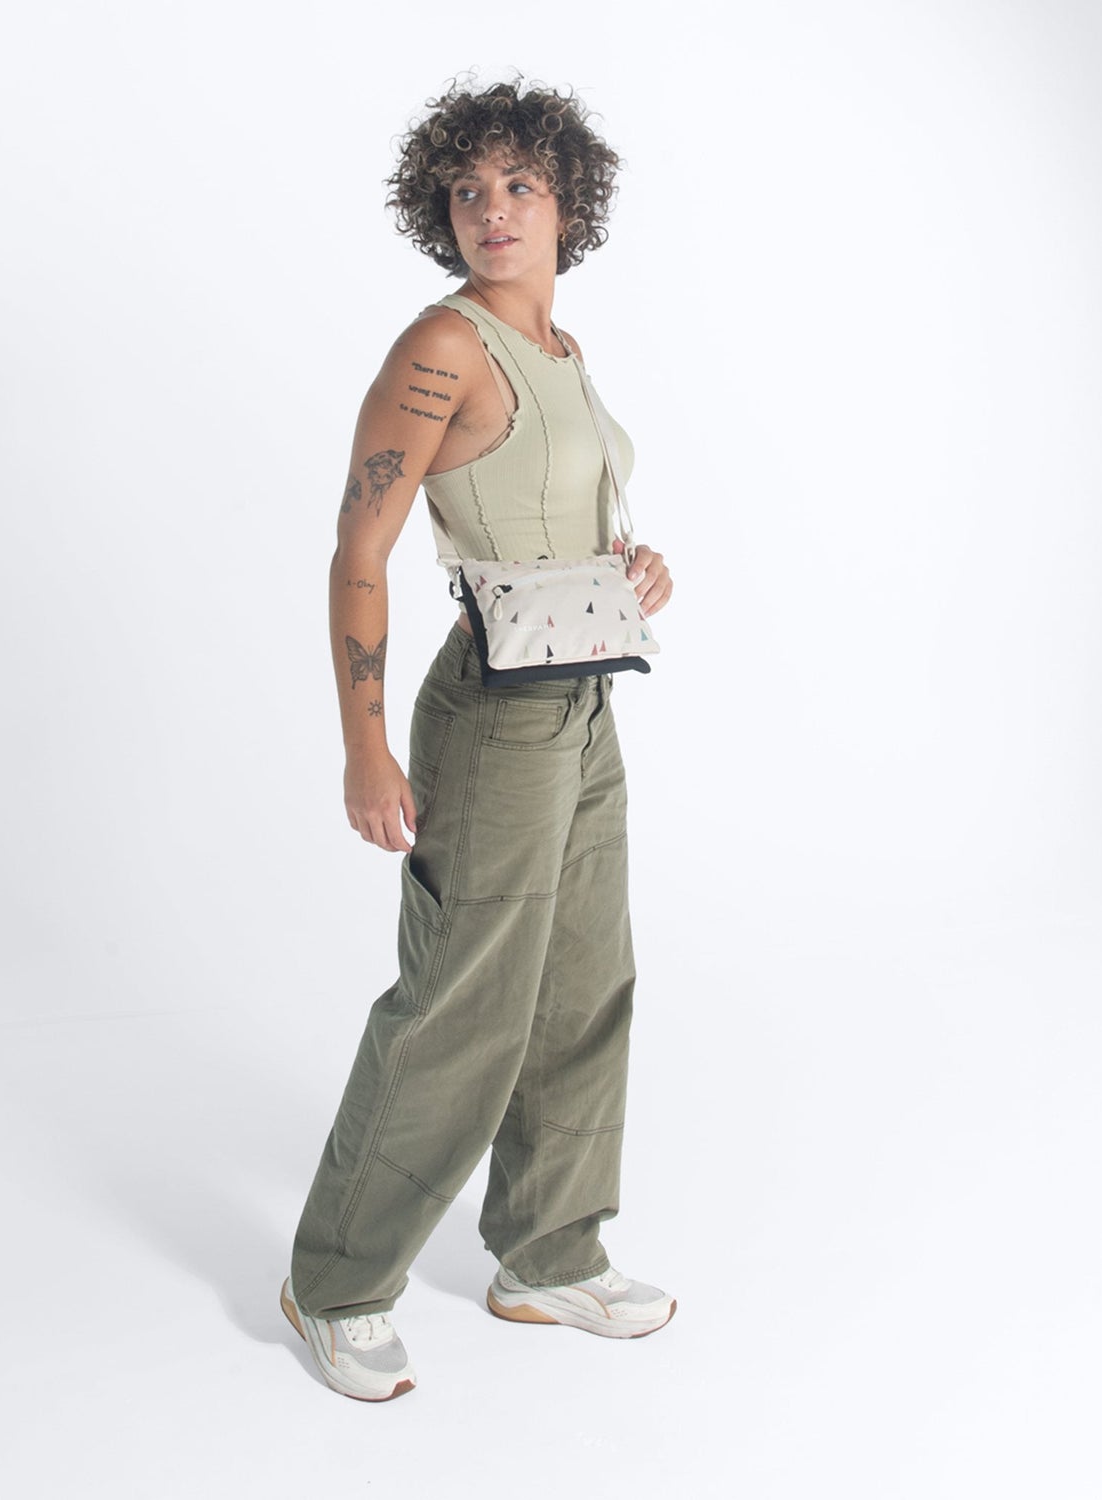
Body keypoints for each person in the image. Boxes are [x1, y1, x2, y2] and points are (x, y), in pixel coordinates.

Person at [280, 78, 676, 1402]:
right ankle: (336, 1282)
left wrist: (634, 568)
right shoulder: (444, 347)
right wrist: (365, 749)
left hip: (586, 695)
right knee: (459, 1006)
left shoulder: (558, 348)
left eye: (520, 185)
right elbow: (361, 548)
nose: (492, 210)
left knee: (581, 986)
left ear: (569, 201)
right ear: (437, 209)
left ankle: (549, 1254)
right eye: (468, 190)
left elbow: (553, 514)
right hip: (496, 716)